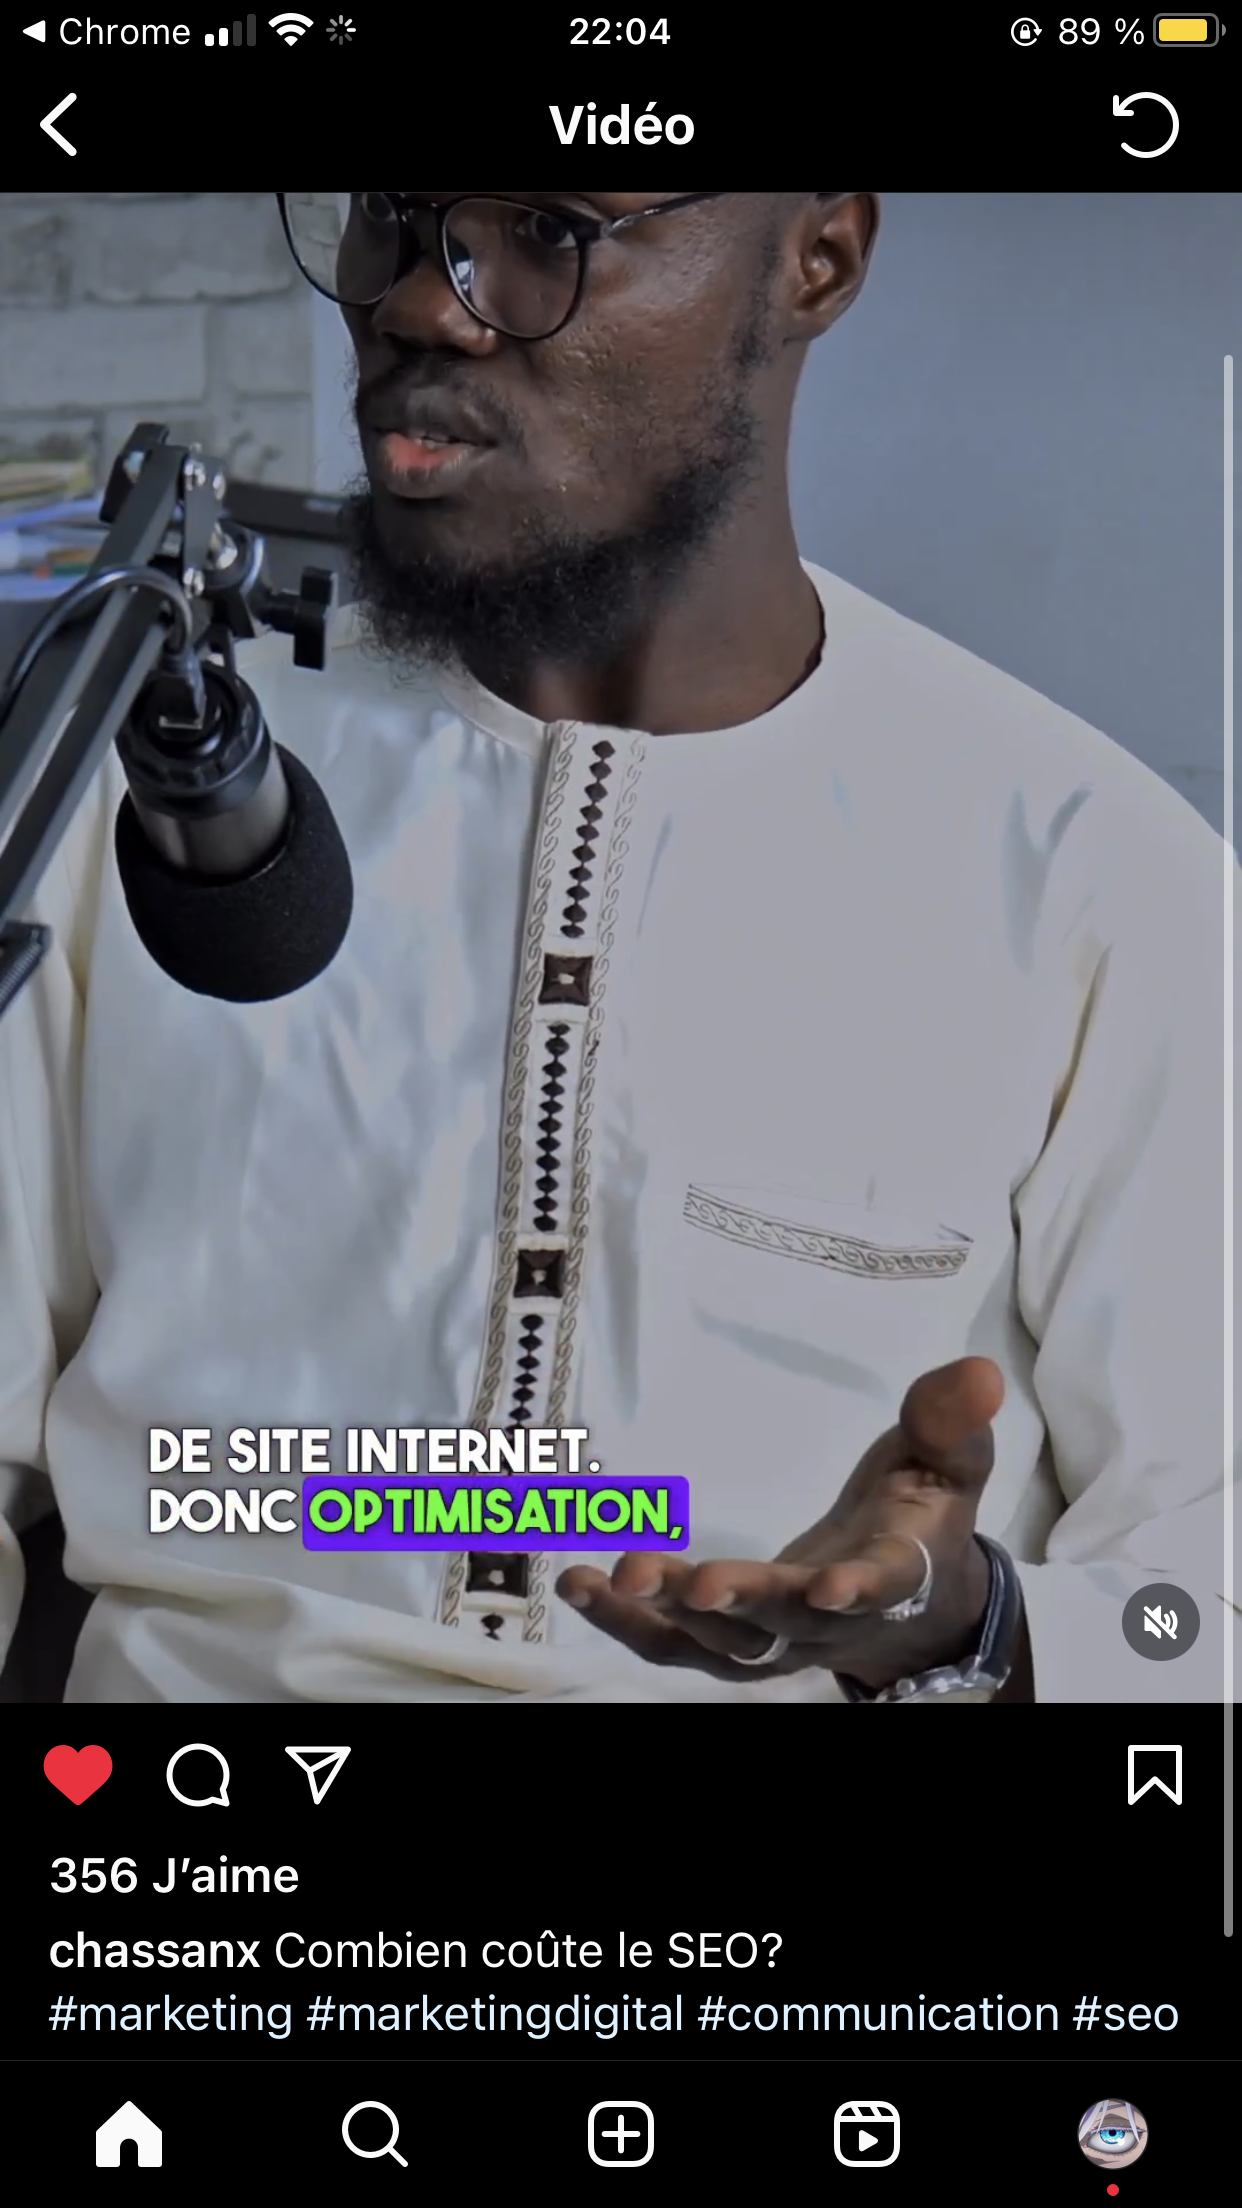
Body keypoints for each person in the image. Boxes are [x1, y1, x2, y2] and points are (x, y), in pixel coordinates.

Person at [0, 191, 1233, 1705]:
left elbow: (1200, 1606)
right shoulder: (132, 772)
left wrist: (967, 1624)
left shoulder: (1099, 878)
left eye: (547, 226)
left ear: (819, 258)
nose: (420, 303)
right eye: (393, 215)